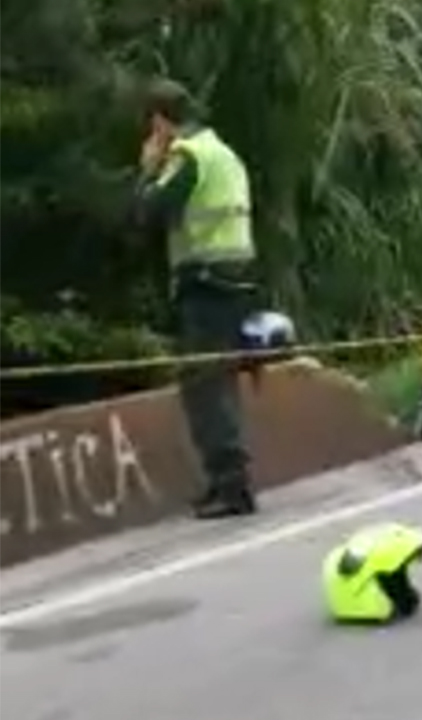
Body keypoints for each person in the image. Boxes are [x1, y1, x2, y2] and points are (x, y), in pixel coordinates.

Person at [134, 79, 260, 519]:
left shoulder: (187, 156)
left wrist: (149, 168)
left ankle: (232, 487)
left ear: (159, 121)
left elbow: (149, 212)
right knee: (215, 383)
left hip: (206, 285)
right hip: (233, 282)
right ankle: (225, 481)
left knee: (205, 387)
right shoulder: (223, 153)